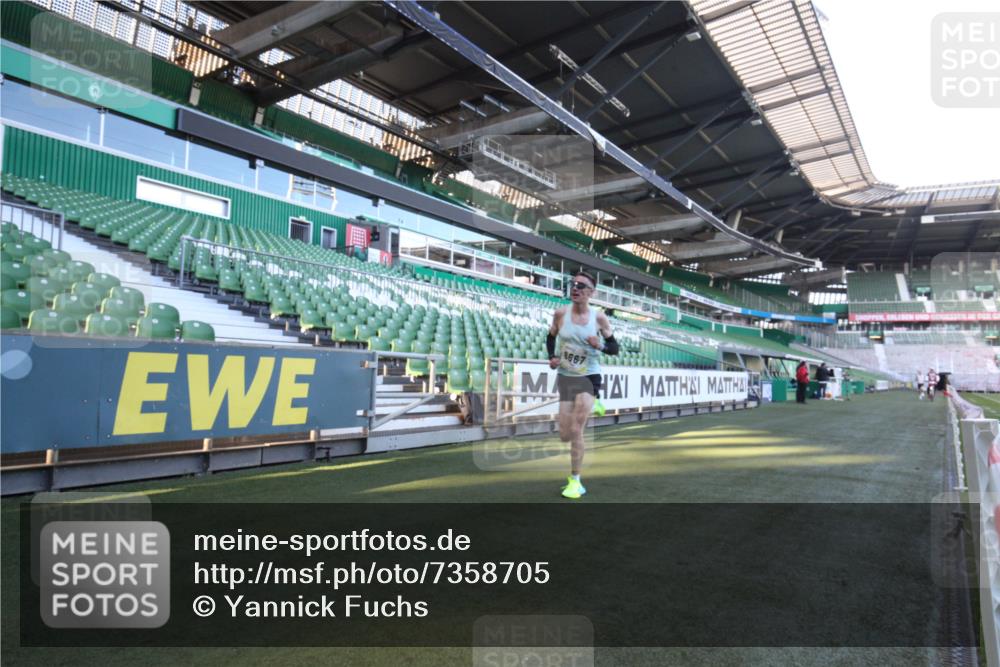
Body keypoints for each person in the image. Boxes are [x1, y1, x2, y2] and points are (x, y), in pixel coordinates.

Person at [547, 271, 618, 499]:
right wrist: (552, 356)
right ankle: (594, 403)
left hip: (589, 376)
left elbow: (615, 348)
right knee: (564, 434)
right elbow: (551, 336)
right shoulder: (560, 314)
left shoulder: (599, 319)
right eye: (573, 284)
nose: (575, 288)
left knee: (577, 430)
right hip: (567, 375)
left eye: (581, 285)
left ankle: (576, 480)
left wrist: (600, 346)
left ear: (591, 292)